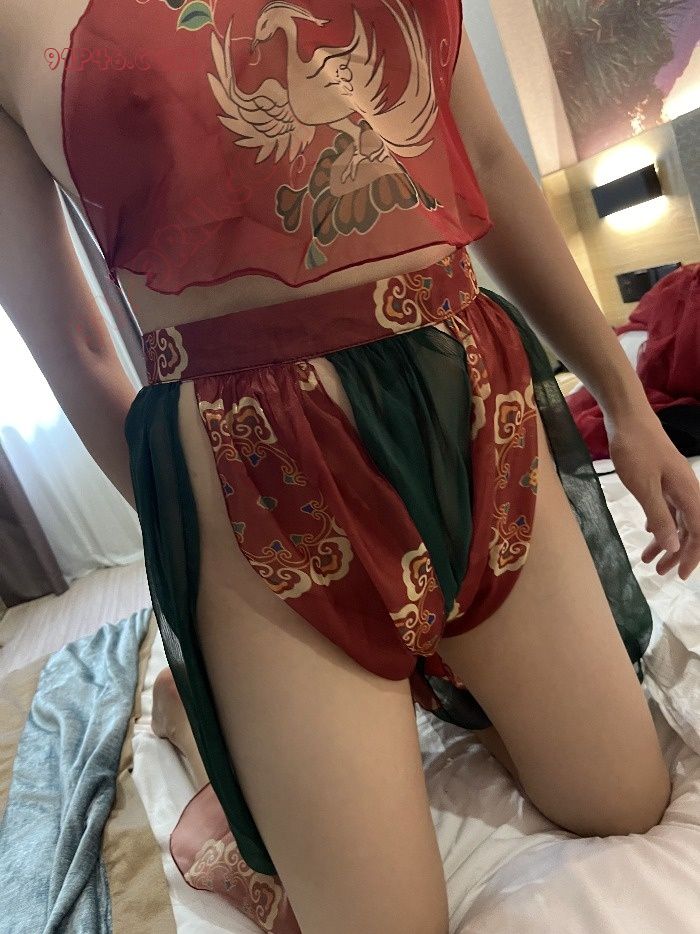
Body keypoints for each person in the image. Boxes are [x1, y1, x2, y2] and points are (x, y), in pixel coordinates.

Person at [1, 2, 698, 932]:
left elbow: (486, 160)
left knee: (622, 801)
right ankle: (206, 724)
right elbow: (78, 347)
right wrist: (202, 556)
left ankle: (424, 656)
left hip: (472, 413)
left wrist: (626, 402)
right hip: (254, 481)